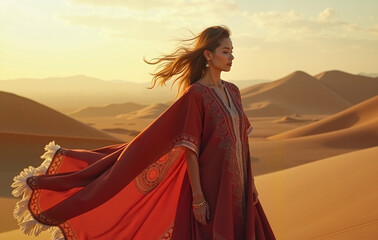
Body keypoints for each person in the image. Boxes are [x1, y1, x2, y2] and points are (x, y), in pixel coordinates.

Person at [12, 25, 275, 240]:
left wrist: (250, 183)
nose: (231, 57)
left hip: (240, 187)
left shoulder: (233, 91)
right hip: (212, 187)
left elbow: (242, 141)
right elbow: (190, 149)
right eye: (225, 51)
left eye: (232, 52)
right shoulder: (196, 95)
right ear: (208, 55)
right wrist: (198, 199)